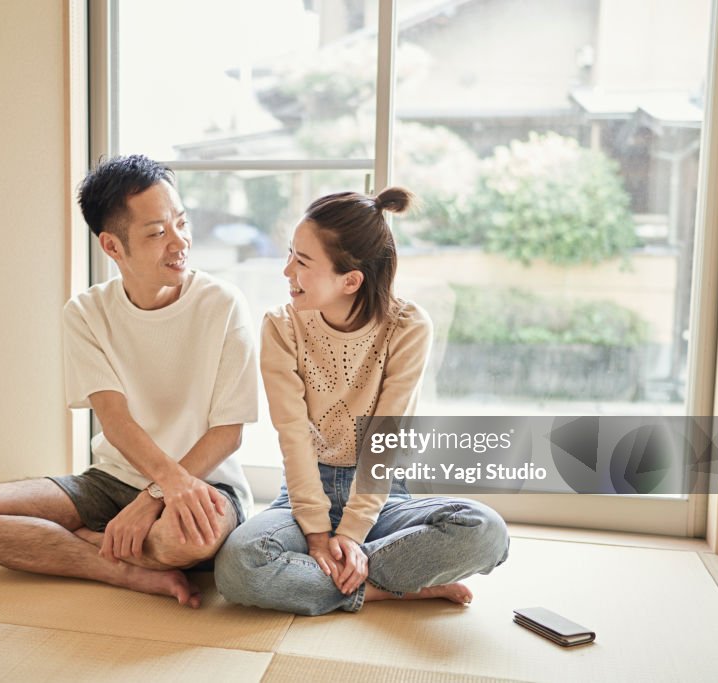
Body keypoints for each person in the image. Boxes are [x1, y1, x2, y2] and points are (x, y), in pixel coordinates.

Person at [0, 154, 257, 608]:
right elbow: (115, 421)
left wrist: (154, 497)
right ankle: (121, 569)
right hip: (111, 480)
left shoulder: (223, 303)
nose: (180, 242)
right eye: (157, 233)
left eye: (181, 223)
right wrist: (152, 490)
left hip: (205, 483)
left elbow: (229, 432)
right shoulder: (86, 313)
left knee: (187, 541)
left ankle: (88, 542)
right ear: (112, 247)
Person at [215, 187, 509, 616]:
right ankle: (390, 587)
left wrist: (352, 534)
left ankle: (343, 575)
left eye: (302, 261)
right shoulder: (280, 326)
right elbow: (292, 435)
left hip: (382, 498)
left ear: (350, 280)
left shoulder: (408, 327)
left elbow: (385, 441)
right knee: (237, 567)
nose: (286, 270)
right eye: (290, 254)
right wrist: (317, 534)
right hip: (303, 494)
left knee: (485, 531)